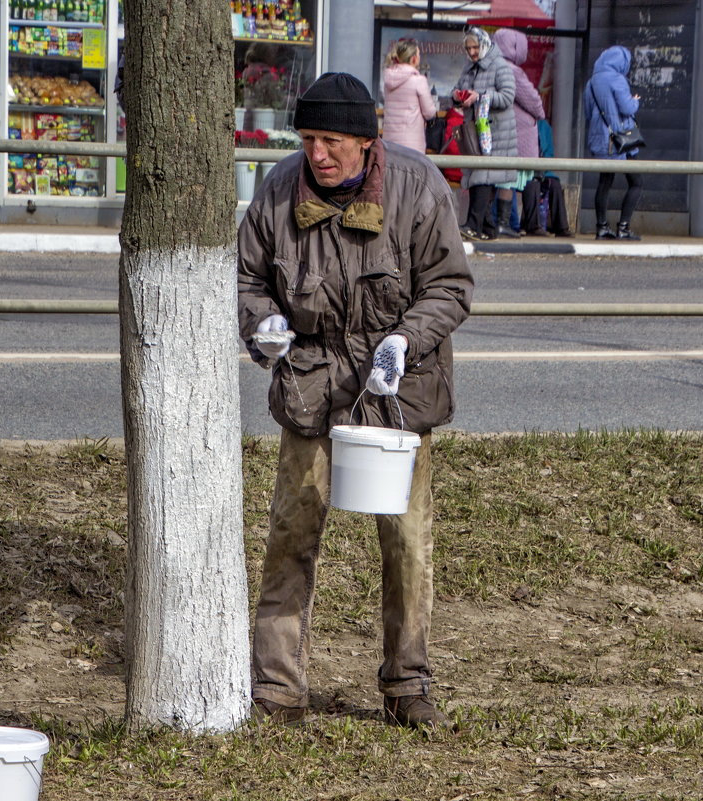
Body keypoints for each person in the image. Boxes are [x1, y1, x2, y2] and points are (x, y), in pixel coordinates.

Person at [238, 71, 474, 730]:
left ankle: (407, 684)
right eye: (310, 138)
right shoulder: (281, 189)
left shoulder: (418, 187)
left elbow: (451, 286)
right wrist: (262, 323)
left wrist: (406, 337)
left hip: (395, 396)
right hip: (311, 388)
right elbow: (247, 276)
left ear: (369, 141)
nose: (319, 154)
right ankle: (278, 688)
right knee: (290, 536)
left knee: (407, 543)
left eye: (333, 141)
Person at [453, 27, 518, 241]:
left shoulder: (500, 66)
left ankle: (473, 225)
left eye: (475, 47)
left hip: (495, 133)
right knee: (477, 176)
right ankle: (488, 228)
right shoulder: (469, 68)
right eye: (468, 48)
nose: (472, 52)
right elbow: (458, 89)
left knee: (482, 177)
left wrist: (480, 97)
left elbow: (508, 97)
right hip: (477, 132)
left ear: (484, 45)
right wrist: (457, 96)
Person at [583, 45, 643, 240]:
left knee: (605, 182)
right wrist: (635, 101)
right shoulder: (618, 79)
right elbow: (626, 108)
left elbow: (587, 111)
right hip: (621, 139)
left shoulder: (591, 82)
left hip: (601, 139)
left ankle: (602, 227)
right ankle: (623, 227)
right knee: (636, 182)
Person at [493, 28, 546, 236]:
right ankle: (504, 224)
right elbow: (532, 100)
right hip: (517, 134)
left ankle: (502, 222)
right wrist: (540, 111)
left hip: (500, 130)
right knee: (511, 178)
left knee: (503, 178)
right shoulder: (512, 70)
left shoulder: (492, 66)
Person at [381, 38, 438, 153]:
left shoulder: (387, 80)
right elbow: (429, 112)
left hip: (389, 143)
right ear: (414, 59)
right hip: (412, 144)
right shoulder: (418, 81)